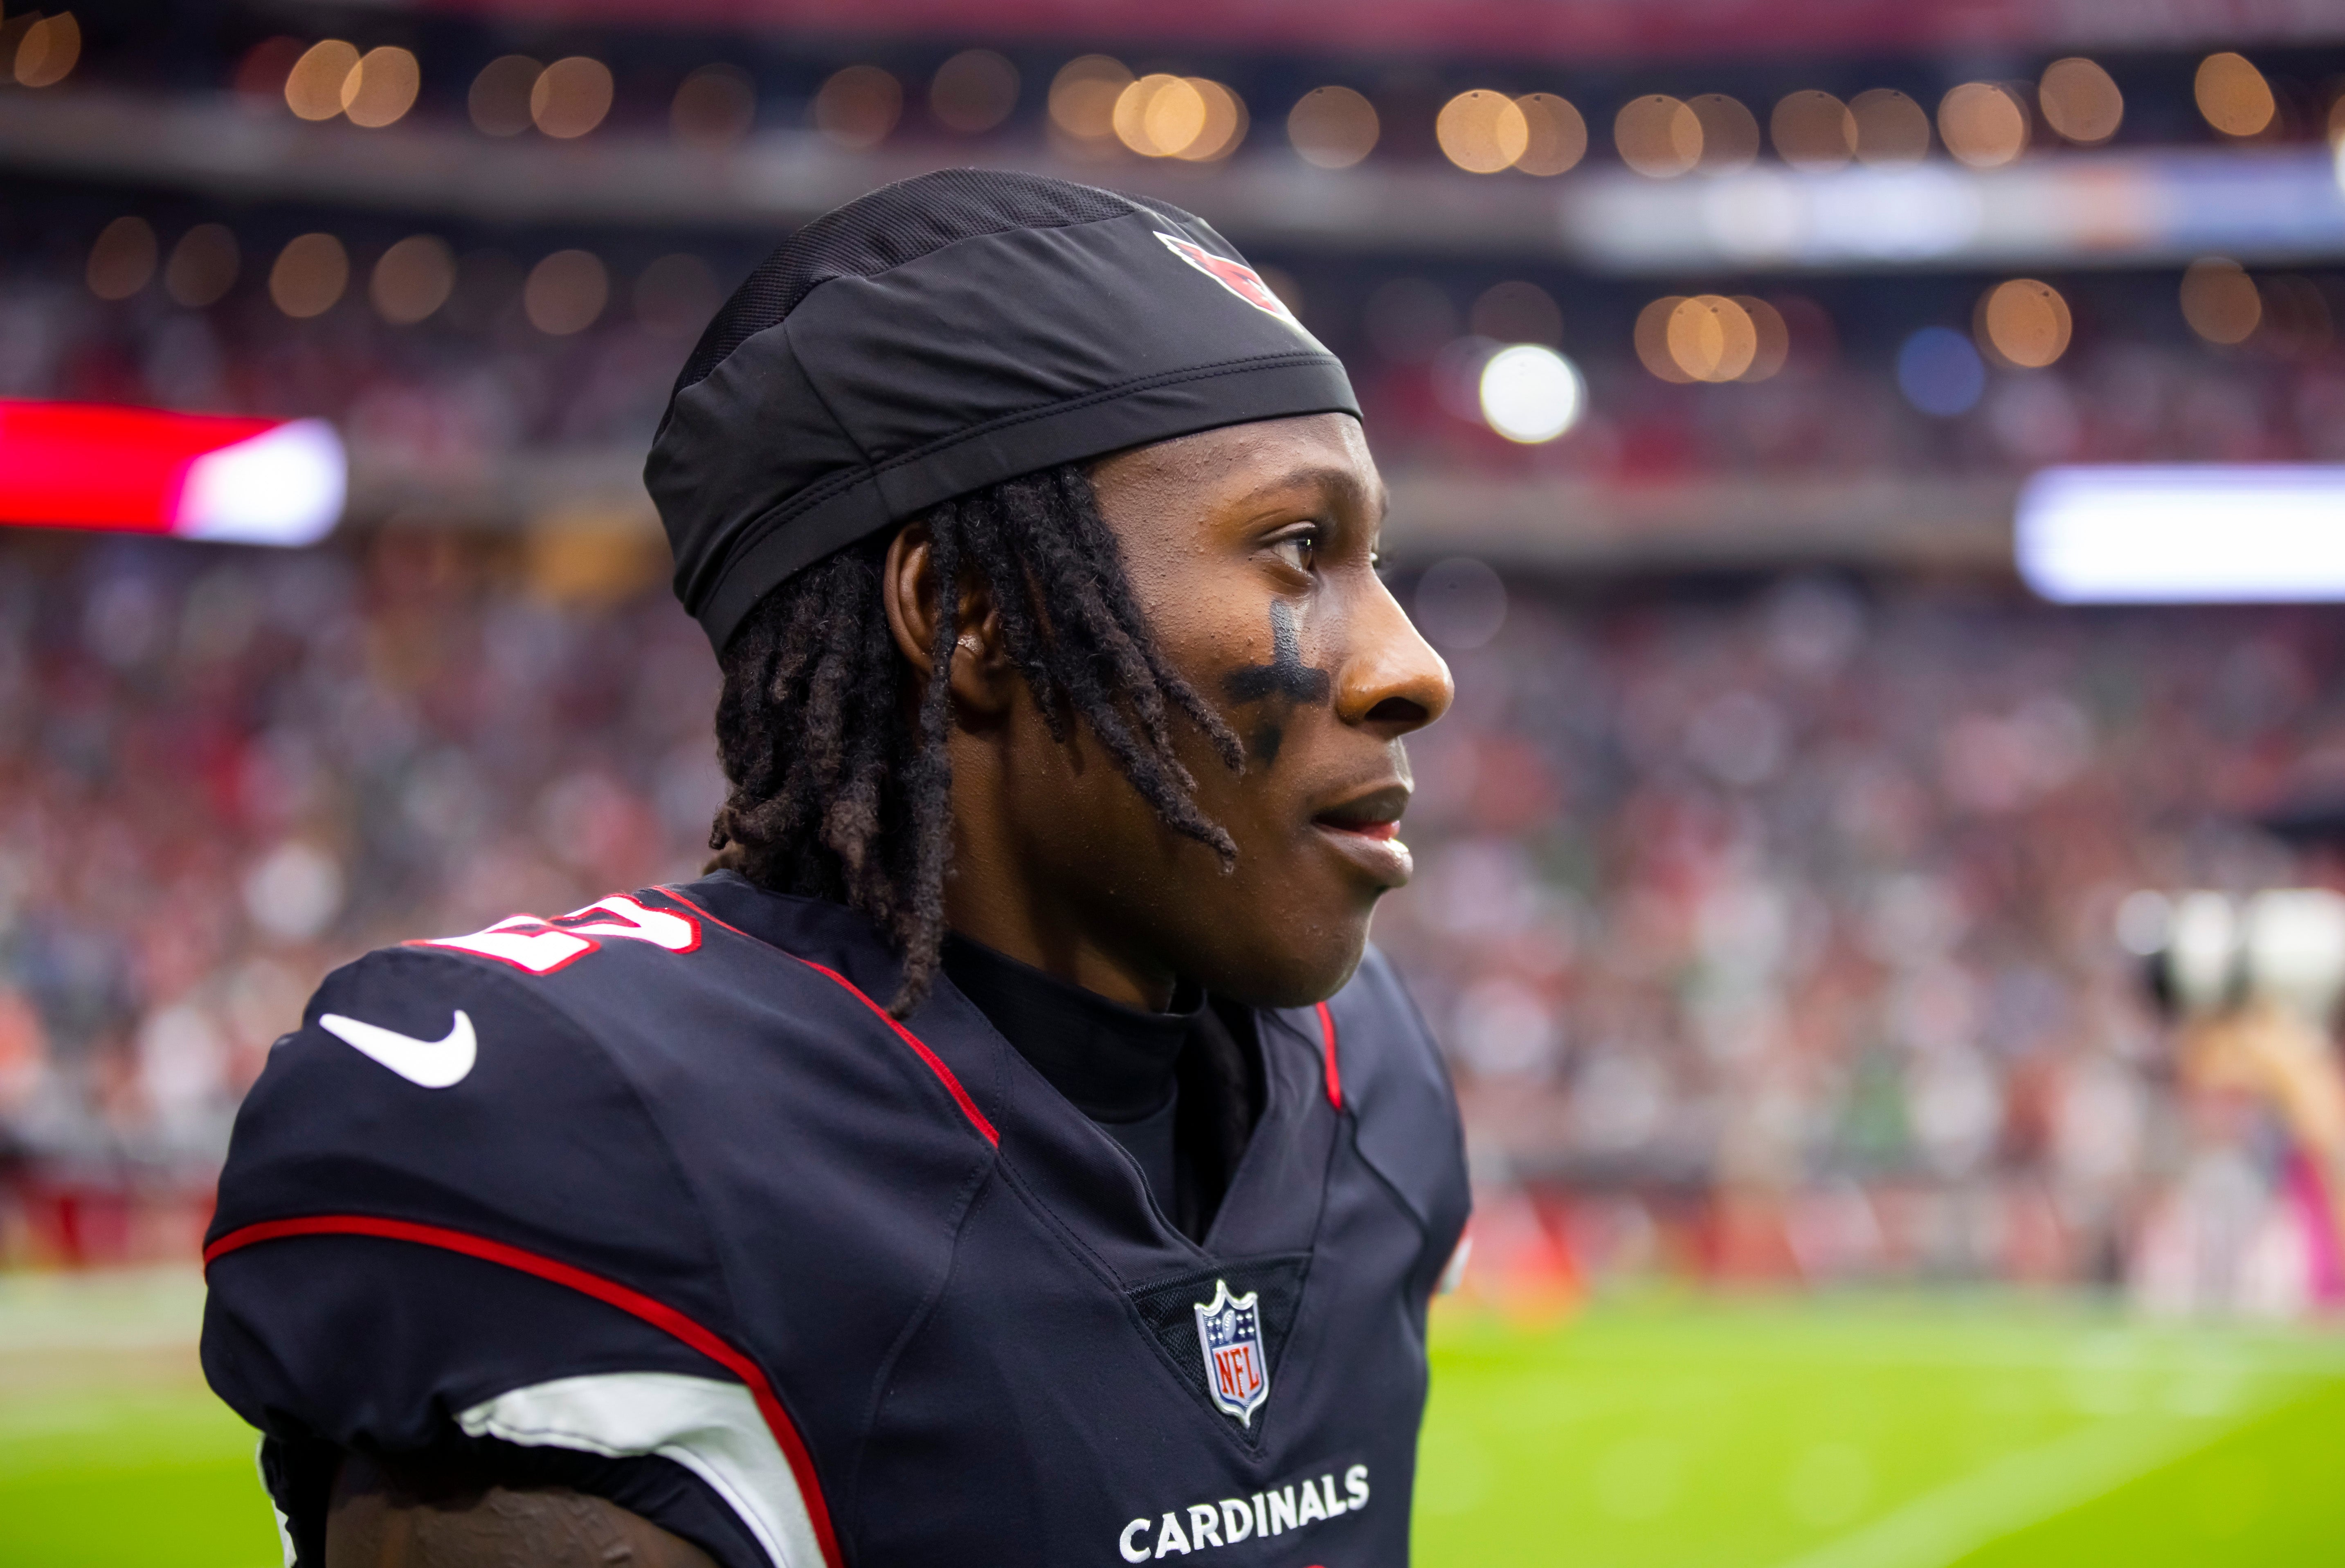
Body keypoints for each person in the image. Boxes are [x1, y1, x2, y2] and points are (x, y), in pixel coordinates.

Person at [201, 170, 1468, 1568]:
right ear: (970, 613)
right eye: (1301, 549)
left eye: (1376, 559)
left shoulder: (1373, 1082)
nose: (1416, 665)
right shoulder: (590, 1133)